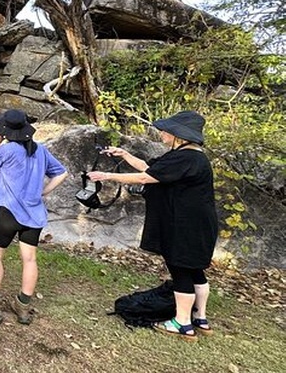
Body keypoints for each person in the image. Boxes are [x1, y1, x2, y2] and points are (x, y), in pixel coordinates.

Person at [88, 110, 217, 341]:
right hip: (198, 224)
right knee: (195, 269)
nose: (162, 133)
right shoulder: (188, 155)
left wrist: (107, 176)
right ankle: (200, 318)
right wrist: (124, 154)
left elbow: (145, 178)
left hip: (184, 225)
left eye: (167, 130)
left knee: (180, 270)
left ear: (179, 134)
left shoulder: (185, 158)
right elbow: (149, 168)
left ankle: (182, 323)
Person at [0, 109, 67, 326]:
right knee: (29, 259)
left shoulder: (8, 149)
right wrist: (44, 192)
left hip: (9, 212)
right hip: (34, 214)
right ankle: (23, 306)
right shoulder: (40, 150)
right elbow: (61, 173)